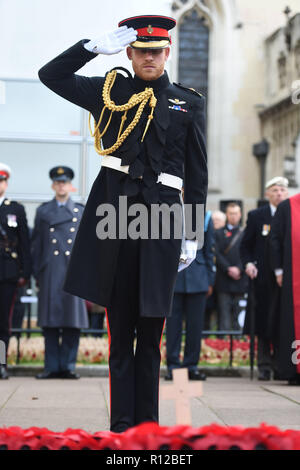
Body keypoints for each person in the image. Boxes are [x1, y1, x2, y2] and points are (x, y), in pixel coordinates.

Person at [38, 15, 207, 432]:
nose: (149, 57)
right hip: (115, 212)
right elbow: (50, 75)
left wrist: (192, 232)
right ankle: (121, 428)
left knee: (152, 332)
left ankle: (147, 426)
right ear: (129, 53)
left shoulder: (187, 101)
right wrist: (90, 49)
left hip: (165, 216)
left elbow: (197, 173)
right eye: (142, 51)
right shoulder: (107, 90)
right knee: (121, 330)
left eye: (157, 51)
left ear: (167, 53)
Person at [31, 166, 88, 379]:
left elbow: (87, 247)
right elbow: (36, 245)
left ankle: (68, 366)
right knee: (50, 322)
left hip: (73, 271)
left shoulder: (80, 212)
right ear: (53, 185)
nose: (61, 185)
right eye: (58, 182)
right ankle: (51, 367)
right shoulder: (43, 211)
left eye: (64, 182)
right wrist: (37, 273)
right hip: (51, 271)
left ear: (70, 185)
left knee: (72, 322)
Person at [240, 177, 289, 381]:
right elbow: (245, 246)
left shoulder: (290, 214)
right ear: (268, 193)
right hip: (262, 279)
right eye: (275, 190)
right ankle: (264, 365)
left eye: (283, 190)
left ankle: (280, 364)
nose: (279, 194)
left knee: (280, 321)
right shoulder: (256, 215)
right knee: (262, 321)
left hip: (283, 278)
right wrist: (248, 264)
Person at [165, 211, 215, 381]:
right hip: (174, 276)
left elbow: (209, 250)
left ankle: (191, 366)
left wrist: (210, 280)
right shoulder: (168, 211)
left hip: (198, 277)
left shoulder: (205, 216)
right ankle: (172, 366)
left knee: (195, 327)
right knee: (173, 327)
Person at [0, 163, 31, 379]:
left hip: (6, 273)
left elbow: (24, 245)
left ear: (6, 183)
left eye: (1, 180)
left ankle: (0, 363)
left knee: (2, 322)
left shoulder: (15, 209)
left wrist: (25, 273)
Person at [269, 192, 300, 385]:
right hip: (292, 277)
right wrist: (279, 270)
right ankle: (293, 371)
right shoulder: (288, 207)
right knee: (292, 323)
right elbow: (274, 239)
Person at [215, 202, 248, 331]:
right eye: (231, 213)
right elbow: (216, 253)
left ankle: (240, 344)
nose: (234, 216)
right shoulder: (218, 233)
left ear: (240, 215)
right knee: (224, 315)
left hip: (241, 279)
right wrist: (228, 268)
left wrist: (239, 269)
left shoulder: (245, 233)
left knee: (239, 315)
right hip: (224, 279)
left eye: (236, 213)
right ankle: (223, 344)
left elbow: (248, 253)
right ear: (227, 215)